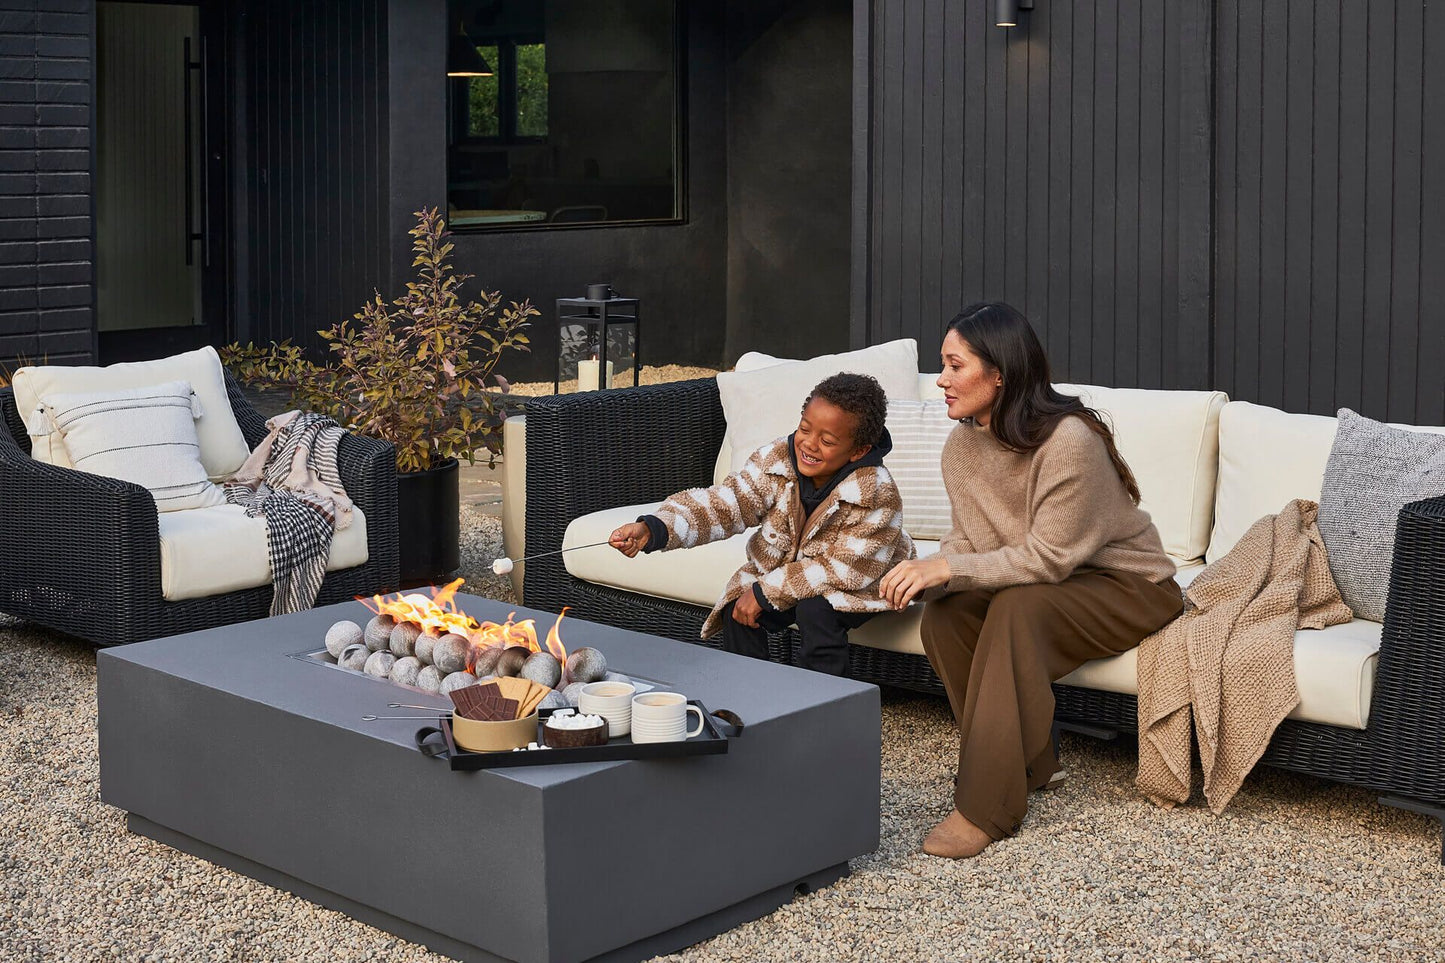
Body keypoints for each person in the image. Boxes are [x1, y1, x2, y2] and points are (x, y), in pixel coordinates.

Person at [879, 302, 1183, 859]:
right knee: (947, 615)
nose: (941, 381)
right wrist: (930, 576)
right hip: (1049, 582)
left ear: (1000, 373)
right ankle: (1032, 762)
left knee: (1018, 610)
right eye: (941, 367)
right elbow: (971, 542)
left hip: (1128, 586)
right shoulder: (963, 444)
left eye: (953, 366)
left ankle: (987, 805)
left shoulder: (1069, 441)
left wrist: (949, 567)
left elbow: (1049, 559)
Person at [609, 372, 915, 675]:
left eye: (827, 440)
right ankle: (750, 696)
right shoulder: (776, 461)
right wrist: (656, 528)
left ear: (858, 451)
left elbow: (843, 571)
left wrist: (764, 591)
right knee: (736, 609)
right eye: (804, 429)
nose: (809, 444)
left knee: (816, 610)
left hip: (865, 582)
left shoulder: (876, 493)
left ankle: (824, 704)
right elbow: (726, 503)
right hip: (791, 573)